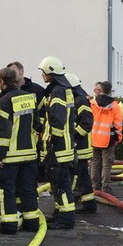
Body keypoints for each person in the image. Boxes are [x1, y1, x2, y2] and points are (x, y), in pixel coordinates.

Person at [0, 66, 42, 234]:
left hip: (11, 156)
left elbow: (3, 132)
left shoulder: (3, 102)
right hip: (29, 153)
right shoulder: (29, 98)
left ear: (1, 82)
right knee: (28, 188)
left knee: (7, 189)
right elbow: (37, 124)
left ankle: (9, 224)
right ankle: (32, 222)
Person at [37, 55, 77, 229]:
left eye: (43, 72)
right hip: (63, 147)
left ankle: (66, 219)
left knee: (61, 184)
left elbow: (58, 119)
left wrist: (53, 141)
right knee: (58, 183)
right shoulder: (61, 89)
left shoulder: (58, 92)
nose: (41, 75)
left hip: (59, 148)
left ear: (50, 72)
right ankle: (60, 213)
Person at [66, 73, 96, 214]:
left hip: (80, 146)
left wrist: (73, 136)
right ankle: (88, 204)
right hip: (78, 146)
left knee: (80, 176)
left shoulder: (80, 101)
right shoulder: (77, 99)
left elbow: (86, 124)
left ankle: (89, 205)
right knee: (81, 176)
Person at [89, 80, 122, 194]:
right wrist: (119, 139)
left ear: (101, 90)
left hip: (94, 138)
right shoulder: (115, 106)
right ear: (110, 90)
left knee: (95, 163)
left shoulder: (92, 103)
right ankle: (105, 188)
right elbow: (118, 125)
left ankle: (95, 187)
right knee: (107, 164)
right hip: (108, 139)